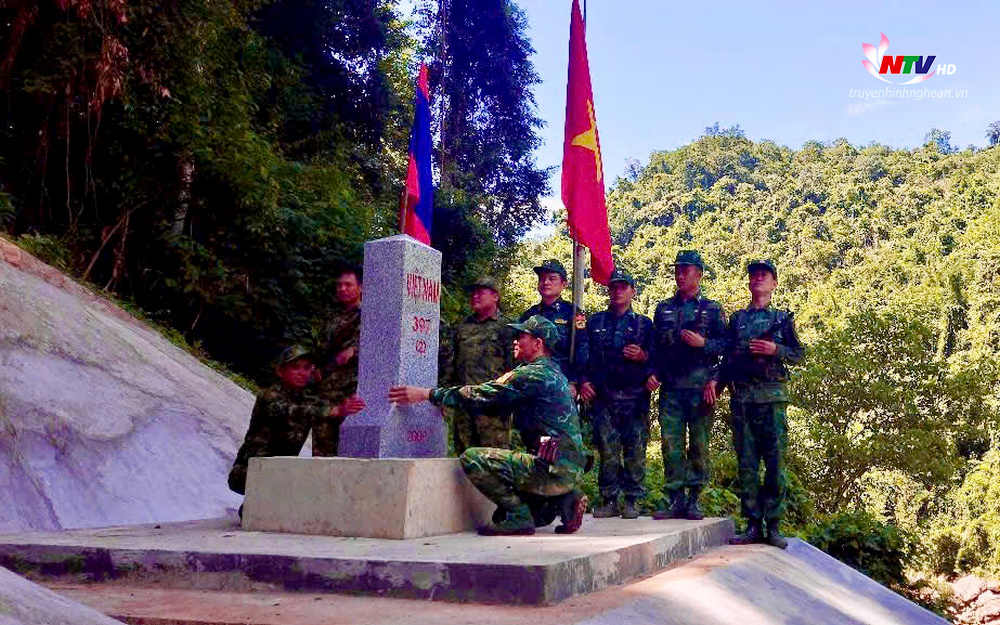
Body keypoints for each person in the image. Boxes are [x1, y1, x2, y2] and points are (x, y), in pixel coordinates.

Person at [389, 315, 588, 536]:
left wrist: (427, 394)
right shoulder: (555, 373)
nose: (515, 341)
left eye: (521, 337)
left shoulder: (531, 374)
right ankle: (565, 497)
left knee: (472, 458)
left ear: (538, 344)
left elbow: (481, 394)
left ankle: (521, 516)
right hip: (568, 464)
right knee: (518, 516)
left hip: (551, 467)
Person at [705, 259, 804, 548]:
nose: (758, 279)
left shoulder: (781, 319)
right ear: (749, 283)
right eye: (754, 276)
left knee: (775, 464)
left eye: (765, 275)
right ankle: (751, 524)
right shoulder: (737, 320)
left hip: (772, 400)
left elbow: (799, 353)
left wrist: (776, 349)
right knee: (746, 464)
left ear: (774, 283)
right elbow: (727, 357)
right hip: (743, 400)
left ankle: (773, 526)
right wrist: (716, 380)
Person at [228, 346, 364, 509]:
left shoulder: (304, 394)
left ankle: (263, 503)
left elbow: (320, 379)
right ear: (280, 371)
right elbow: (293, 410)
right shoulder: (269, 396)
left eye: (307, 368)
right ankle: (256, 506)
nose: (302, 373)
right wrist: (335, 410)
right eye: (295, 367)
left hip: (283, 470)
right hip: (249, 471)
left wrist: (341, 360)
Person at [647, 250, 728, 521]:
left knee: (699, 445)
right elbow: (655, 347)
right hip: (671, 389)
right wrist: (653, 372)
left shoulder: (713, 309)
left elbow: (727, 348)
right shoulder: (663, 308)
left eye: (687, 270)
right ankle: (674, 500)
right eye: (678, 270)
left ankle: (694, 500)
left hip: (700, 389)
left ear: (699, 274)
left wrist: (703, 344)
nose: (681, 275)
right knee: (671, 444)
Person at [579, 268, 654, 520]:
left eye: (623, 287)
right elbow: (583, 356)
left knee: (635, 449)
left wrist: (643, 356)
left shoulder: (645, 324)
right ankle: (609, 499)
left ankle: (632, 500)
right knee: (607, 451)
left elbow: (659, 357)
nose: (618, 291)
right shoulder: (596, 322)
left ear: (633, 291)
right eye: (613, 287)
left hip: (635, 398)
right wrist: (583, 381)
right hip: (605, 397)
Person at [439, 277, 515, 453]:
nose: (475, 296)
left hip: (493, 409)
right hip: (464, 406)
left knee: (493, 461)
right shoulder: (462, 327)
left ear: (495, 297)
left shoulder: (507, 327)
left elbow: (514, 370)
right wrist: (445, 396)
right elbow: (452, 364)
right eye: (473, 293)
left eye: (480, 292)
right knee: (464, 460)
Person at [519, 259, 588, 395]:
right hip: (532, 383)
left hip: (560, 384)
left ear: (564, 284)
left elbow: (582, 349)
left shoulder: (573, 313)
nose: (546, 283)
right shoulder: (529, 314)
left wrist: (574, 382)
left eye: (552, 279)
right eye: (542, 278)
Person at [316, 264, 363, 456]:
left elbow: (382, 344)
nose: (342, 289)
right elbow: (319, 348)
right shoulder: (331, 317)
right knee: (321, 453)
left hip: (351, 394)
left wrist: (355, 350)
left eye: (348, 285)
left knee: (346, 456)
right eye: (339, 285)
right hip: (326, 392)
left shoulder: (370, 317)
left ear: (361, 287)